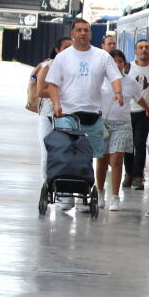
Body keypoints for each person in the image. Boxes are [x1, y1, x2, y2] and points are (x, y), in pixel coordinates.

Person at [45, 18, 124, 212]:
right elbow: (53, 84)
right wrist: (56, 104)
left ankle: (83, 196)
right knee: (67, 154)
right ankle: (65, 196)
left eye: (86, 30)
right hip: (67, 113)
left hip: (91, 114)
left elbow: (115, 77)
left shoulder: (102, 56)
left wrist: (118, 92)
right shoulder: (63, 58)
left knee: (88, 156)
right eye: (79, 30)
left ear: (90, 33)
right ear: (72, 33)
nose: (82, 33)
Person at [97, 49, 147, 211]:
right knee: (102, 160)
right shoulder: (100, 81)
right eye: (113, 61)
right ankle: (99, 192)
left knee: (117, 159)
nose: (117, 64)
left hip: (122, 124)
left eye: (120, 61)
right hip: (103, 124)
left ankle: (115, 196)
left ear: (124, 64)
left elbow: (139, 98)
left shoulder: (131, 82)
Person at [125, 39, 149, 190]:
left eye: (147, 48)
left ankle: (138, 176)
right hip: (126, 112)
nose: (144, 50)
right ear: (135, 51)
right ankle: (128, 174)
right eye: (140, 48)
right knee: (127, 145)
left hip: (144, 113)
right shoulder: (128, 68)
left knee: (139, 143)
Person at [34, 36, 72, 178]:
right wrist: (59, 93)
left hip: (68, 115)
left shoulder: (76, 67)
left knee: (66, 152)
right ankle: (46, 185)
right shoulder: (48, 66)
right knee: (47, 152)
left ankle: (62, 185)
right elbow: (41, 91)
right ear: (57, 50)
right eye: (65, 48)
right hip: (48, 114)